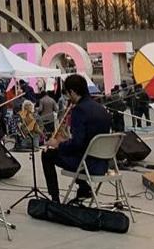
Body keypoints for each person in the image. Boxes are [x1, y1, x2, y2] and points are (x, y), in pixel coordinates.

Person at [41, 74, 111, 203]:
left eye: (67, 94)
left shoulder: (79, 110)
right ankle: (83, 188)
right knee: (72, 151)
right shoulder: (101, 109)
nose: (68, 97)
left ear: (72, 92)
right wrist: (66, 142)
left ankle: (55, 198)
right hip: (103, 163)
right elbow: (89, 140)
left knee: (47, 155)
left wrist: (58, 144)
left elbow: (78, 145)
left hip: (87, 164)